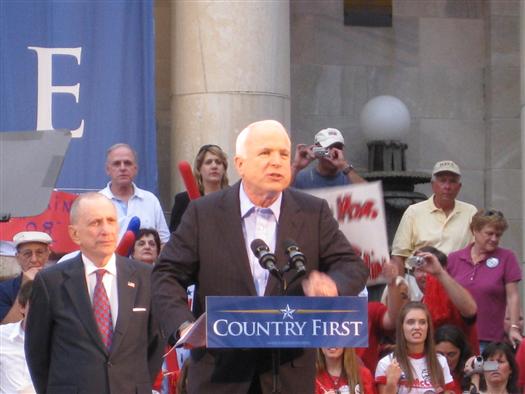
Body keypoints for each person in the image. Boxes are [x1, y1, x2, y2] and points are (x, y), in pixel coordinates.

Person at [152, 119, 369, 393]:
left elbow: (352, 266)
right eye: (265, 153)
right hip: (220, 374)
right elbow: (165, 274)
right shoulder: (203, 213)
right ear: (240, 163)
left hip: (288, 374)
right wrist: (184, 326)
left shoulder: (314, 212)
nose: (277, 162)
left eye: (283, 154)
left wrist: (333, 284)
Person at [25, 193, 163, 394]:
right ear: (74, 234)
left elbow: (155, 343)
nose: (106, 230)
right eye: (95, 223)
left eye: (111, 221)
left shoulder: (145, 277)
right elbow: (37, 353)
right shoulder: (51, 282)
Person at [447, 209, 522, 350]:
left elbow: (513, 296)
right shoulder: (454, 258)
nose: (494, 239)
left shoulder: (507, 257)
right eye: (489, 233)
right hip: (456, 339)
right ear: (474, 231)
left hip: (491, 340)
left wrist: (514, 327)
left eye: (498, 235)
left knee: (488, 370)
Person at [391, 160, 477, 276]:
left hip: (457, 279)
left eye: (452, 181)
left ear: (459, 187)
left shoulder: (470, 212)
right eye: (442, 181)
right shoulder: (414, 211)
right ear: (433, 185)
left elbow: (479, 250)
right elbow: (398, 255)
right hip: (420, 278)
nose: (447, 186)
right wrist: (400, 285)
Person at [375, 302, 455, 394]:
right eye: (410, 322)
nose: (417, 327)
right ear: (401, 327)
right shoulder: (386, 363)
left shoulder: (440, 361)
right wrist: (392, 383)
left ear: (428, 327)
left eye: (422, 322)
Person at [411, 246, 479, 353]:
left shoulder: (455, 296)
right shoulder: (419, 304)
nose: (425, 275)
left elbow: (470, 310)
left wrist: (439, 273)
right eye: (419, 270)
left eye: (430, 268)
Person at [99, 143, 170, 244]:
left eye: (127, 163)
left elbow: (164, 242)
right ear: (107, 169)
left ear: (135, 169)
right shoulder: (96, 202)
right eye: (117, 163)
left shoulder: (150, 200)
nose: (122, 168)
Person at [169, 144, 229, 232]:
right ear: (199, 169)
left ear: (224, 169)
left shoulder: (233, 197)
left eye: (218, 162)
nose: (214, 166)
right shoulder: (184, 200)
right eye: (208, 162)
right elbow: (176, 236)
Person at [0, 231, 52, 324]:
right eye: (27, 254)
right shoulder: (4, 290)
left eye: (39, 253)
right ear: (18, 257)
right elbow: (7, 329)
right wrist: (26, 284)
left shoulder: (60, 285)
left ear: (48, 254)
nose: (34, 260)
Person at [291, 127, 366, 189]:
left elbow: (369, 195)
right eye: (327, 148)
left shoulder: (349, 177)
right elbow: (281, 196)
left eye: (338, 148)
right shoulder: (302, 178)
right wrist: (295, 167)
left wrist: (344, 166)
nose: (333, 153)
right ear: (317, 150)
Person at [0, 280, 35, 394]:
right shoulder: (2, 336)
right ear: (22, 307)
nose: (42, 311)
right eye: (36, 305)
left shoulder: (60, 341)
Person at [435, 324, 473, 393]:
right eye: (440, 354)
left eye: (451, 354)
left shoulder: (470, 377)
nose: (445, 360)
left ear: (461, 353)